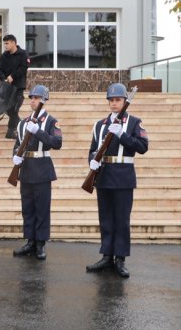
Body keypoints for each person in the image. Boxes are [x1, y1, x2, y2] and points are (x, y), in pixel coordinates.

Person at [85, 83, 149, 278]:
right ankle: (107, 256)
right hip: (104, 175)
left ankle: (120, 259)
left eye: (118, 100)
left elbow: (143, 146)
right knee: (106, 219)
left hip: (123, 175)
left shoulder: (134, 122)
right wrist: (92, 163)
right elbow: (92, 149)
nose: (114, 103)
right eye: (111, 100)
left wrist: (123, 136)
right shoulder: (99, 125)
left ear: (124, 102)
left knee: (121, 219)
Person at [11, 85, 62, 260]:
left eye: (36, 98)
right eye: (31, 97)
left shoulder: (51, 121)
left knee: (41, 208)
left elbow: (56, 143)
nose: (33, 100)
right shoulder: (23, 123)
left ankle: (40, 243)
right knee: (28, 208)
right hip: (26, 168)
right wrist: (15, 157)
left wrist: (38, 131)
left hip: (41, 168)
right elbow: (17, 144)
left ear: (44, 100)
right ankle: (30, 241)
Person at [0, 34, 29, 139]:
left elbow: (24, 68)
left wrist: (12, 76)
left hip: (19, 87)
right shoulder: (4, 56)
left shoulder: (23, 54)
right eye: (4, 44)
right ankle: (21, 126)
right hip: (7, 88)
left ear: (14, 43)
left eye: (7, 43)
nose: (5, 46)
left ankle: (11, 131)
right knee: (9, 109)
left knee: (15, 109)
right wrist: (4, 79)